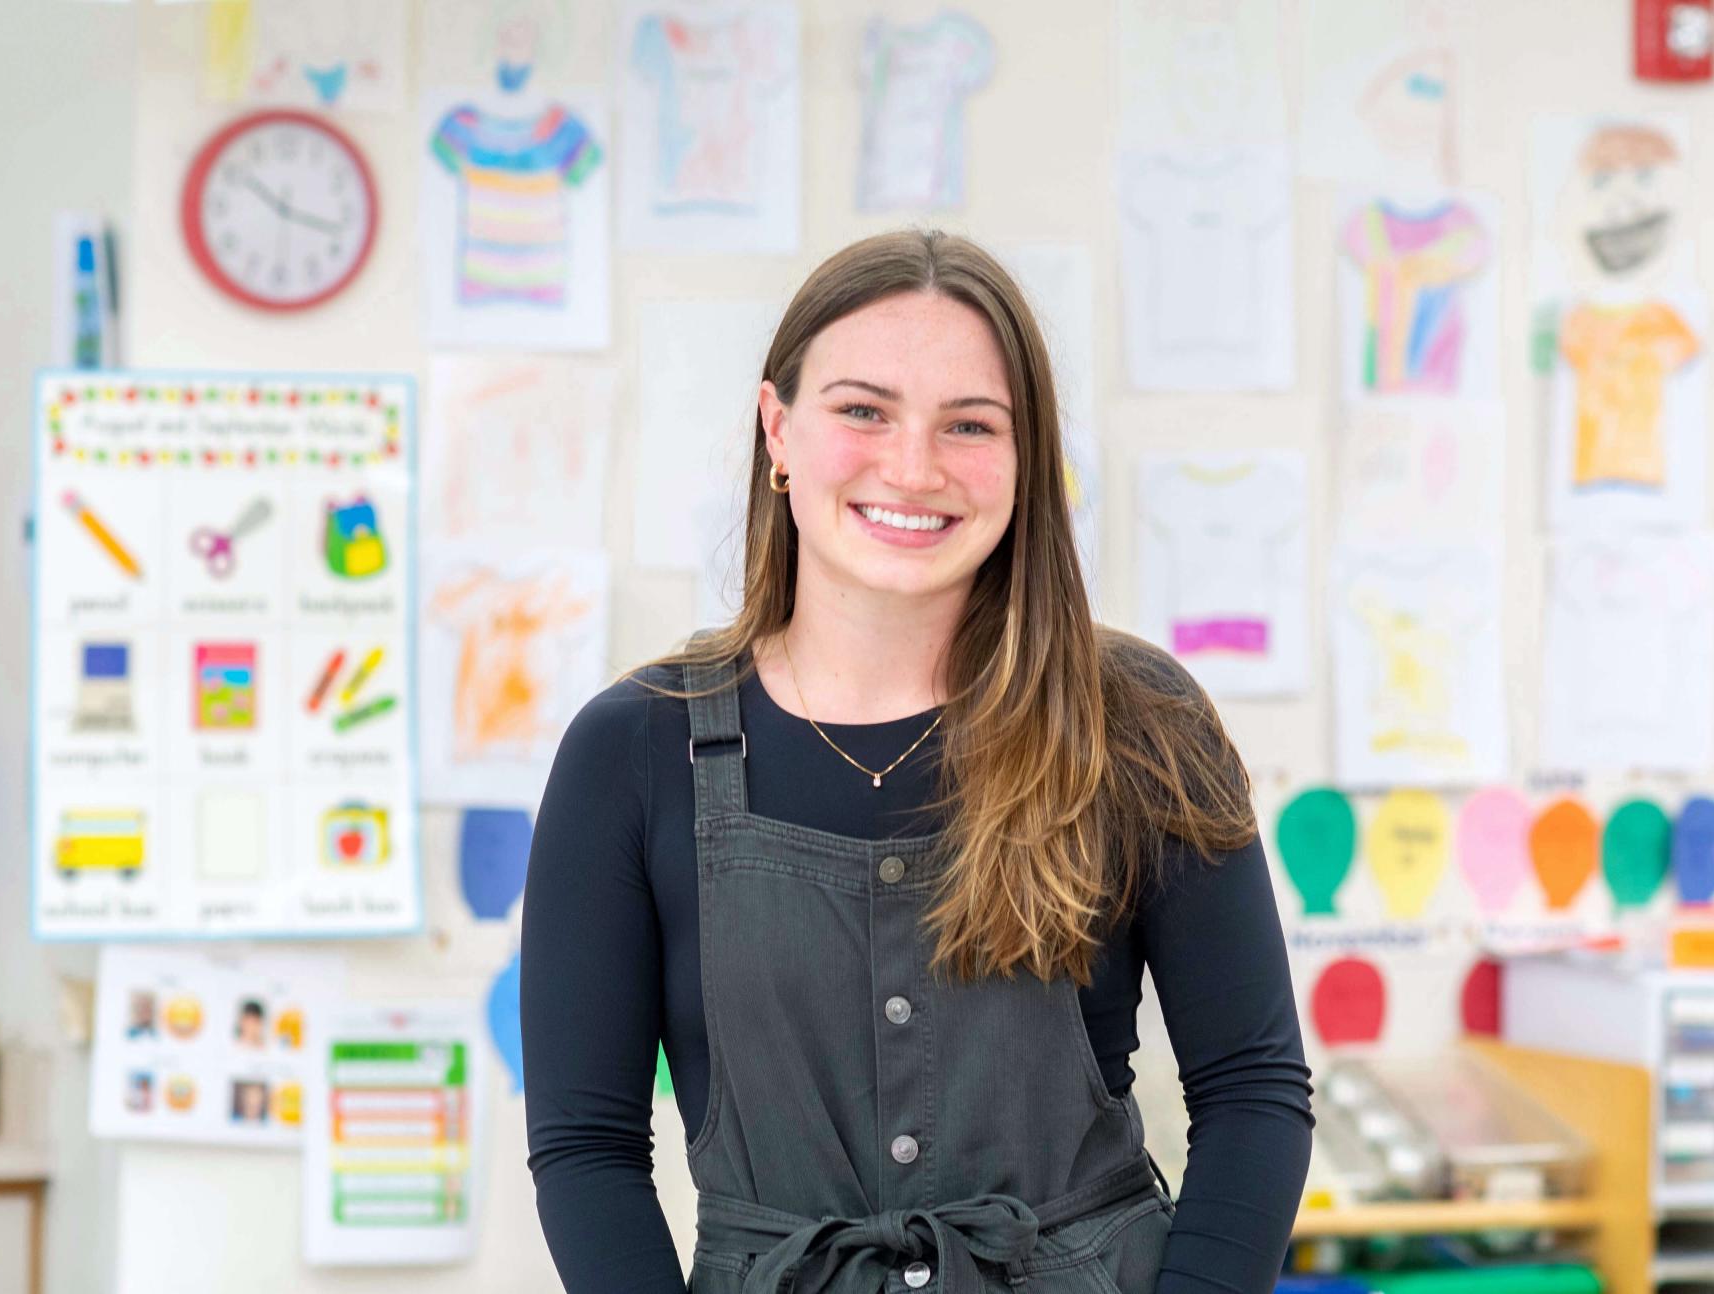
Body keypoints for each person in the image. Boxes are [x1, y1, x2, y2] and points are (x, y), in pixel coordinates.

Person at [521, 229, 1313, 1294]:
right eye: (863, 409)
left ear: (1026, 459)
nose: (913, 466)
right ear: (778, 430)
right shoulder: (632, 751)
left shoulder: (1140, 724)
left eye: (970, 425)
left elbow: (1254, 1094)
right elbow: (587, 1150)